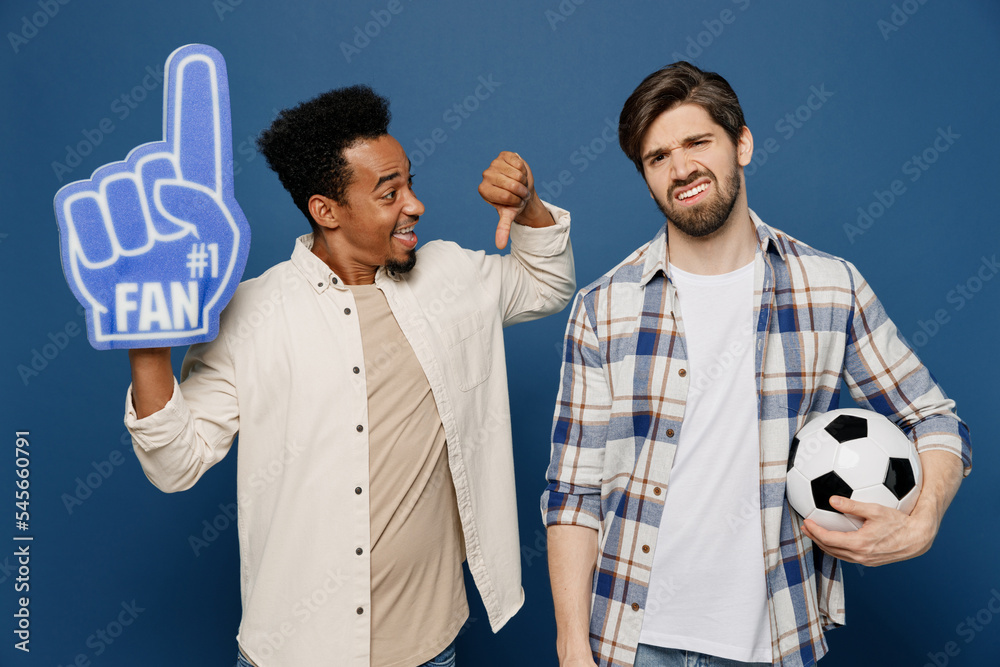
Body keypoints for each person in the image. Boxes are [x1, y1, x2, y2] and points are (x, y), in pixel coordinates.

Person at [124, 85, 575, 666]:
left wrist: (529, 203)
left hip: (429, 645)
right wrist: (146, 352)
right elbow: (174, 463)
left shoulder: (452, 277)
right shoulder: (250, 314)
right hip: (295, 652)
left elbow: (548, 283)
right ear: (326, 210)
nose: (413, 204)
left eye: (410, 183)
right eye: (390, 193)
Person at [541, 61, 970, 667]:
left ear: (741, 143)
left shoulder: (830, 288)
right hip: (628, 642)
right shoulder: (604, 308)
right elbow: (573, 493)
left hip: (774, 637)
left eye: (697, 142)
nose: (681, 167)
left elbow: (935, 418)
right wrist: (570, 647)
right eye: (657, 157)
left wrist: (922, 519)